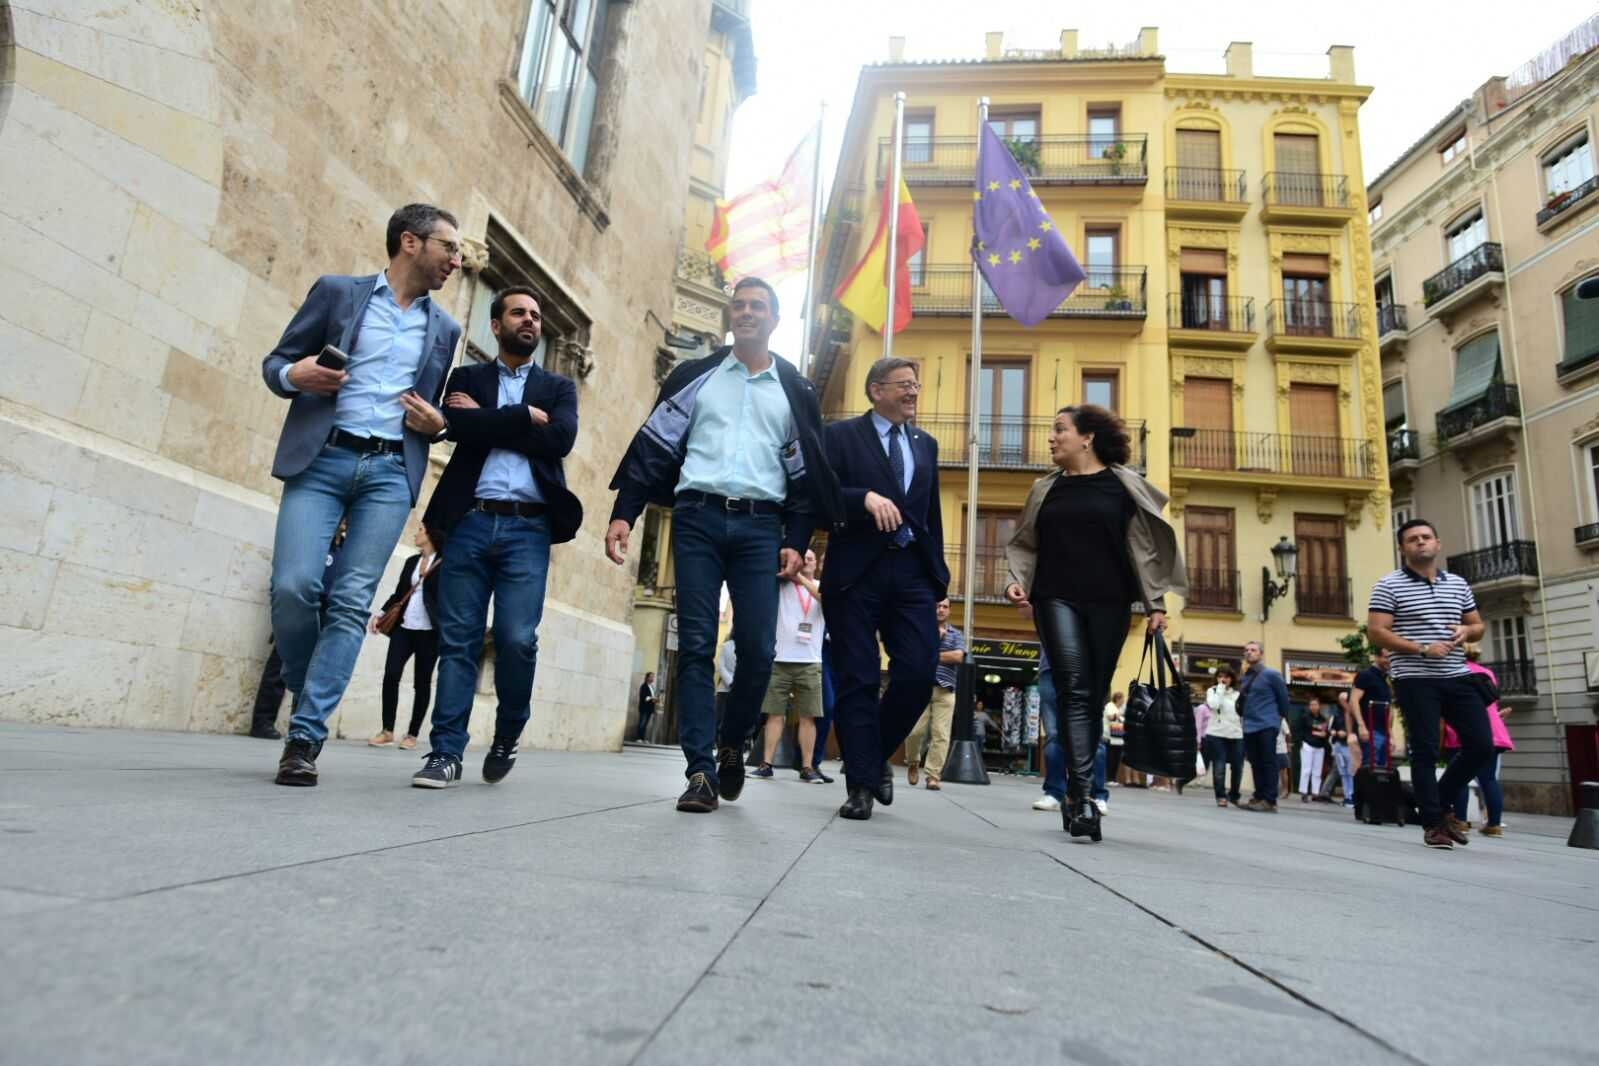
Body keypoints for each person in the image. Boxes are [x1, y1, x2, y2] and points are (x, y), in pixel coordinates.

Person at [604, 277, 838, 814]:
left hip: (761, 529)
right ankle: (700, 772)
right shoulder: (696, 377)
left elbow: (805, 479)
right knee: (696, 643)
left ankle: (733, 741)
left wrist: (796, 540)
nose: (746, 312)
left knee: (757, 648)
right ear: (730, 315)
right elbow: (652, 447)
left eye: (757, 306)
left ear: (774, 320)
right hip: (697, 518)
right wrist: (624, 513)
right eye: (739, 305)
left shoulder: (795, 390)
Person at [262, 203, 463, 787]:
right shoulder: (337, 293)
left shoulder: (446, 329)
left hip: (389, 472)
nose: (456, 260)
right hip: (322, 459)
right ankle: (309, 683)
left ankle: (305, 738)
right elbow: (276, 364)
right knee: (294, 586)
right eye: (448, 247)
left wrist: (439, 426)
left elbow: (433, 411)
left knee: (350, 602)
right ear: (410, 242)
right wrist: (295, 376)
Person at [411, 287, 583, 789]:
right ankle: (445, 752)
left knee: (516, 639)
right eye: (518, 313)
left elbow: (560, 439)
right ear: (496, 324)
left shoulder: (558, 387)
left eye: (536, 315)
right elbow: (454, 425)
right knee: (458, 640)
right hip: (469, 522)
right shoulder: (467, 378)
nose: (530, 320)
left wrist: (484, 421)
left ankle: (508, 733)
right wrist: (522, 418)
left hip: (528, 528)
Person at [1005, 404, 1187, 841]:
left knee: (1093, 695)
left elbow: (1143, 549)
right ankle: (1085, 796)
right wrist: (1017, 581)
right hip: (1055, 597)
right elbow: (1026, 543)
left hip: (1110, 602)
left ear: (1087, 438)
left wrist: (1155, 604)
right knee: (1072, 688)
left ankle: (1076, 793)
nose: (1052, 438)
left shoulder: (1123, 486)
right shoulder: (1044, 489)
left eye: (1060, 430)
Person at [821, 357, 947, 821]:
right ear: (876, 390)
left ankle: (871, 757)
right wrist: (863, 499)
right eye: (903, 385)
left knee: (918, 672)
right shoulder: (839, 437)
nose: (913, 392)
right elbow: (818, 496)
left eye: (916, 384)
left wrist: (938, 579)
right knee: (858, 678)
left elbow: (931, 514)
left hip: (912, 572)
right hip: (856, 573)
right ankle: (859, 786)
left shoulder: (925, 444)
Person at [1366, 518, 1492, 850]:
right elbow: (1376, 631)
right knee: (1425, 749)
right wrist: (1422, 648)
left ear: (1438, 544)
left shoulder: (1458, 584)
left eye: (1426, 537)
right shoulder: (1389, 585)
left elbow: (1478, 625)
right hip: (1414, 678)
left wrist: (1467, 631)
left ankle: (1439, 800)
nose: (1420, 542)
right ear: (1402, 548)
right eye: (1412, 539)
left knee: (1482, 744)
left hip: (1457, 674)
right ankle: (1434, 824)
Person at [248, 526, 347, 739]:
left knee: (315, 672)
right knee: (279, 665)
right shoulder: (316, 540)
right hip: (304, 606)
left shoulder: (346, 549)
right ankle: (262, 722)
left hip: (328, 611)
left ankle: (301, 726)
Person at [754, 549, 828, 783]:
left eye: (811, 559)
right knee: (774, 713)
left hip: (810, 661)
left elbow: (824, 598)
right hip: (780, 658)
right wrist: (791, 576)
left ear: (815, 564)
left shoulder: (820, 586)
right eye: (803, 558)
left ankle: (807, 767)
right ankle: (766, 764)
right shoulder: (782, 585)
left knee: (809, 716)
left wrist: (800, 578)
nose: (806, 561)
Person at [368, 524, 443, 750]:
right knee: (391, 674)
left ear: (430, 534)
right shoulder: (411, 561)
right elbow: (399, 593)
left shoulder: (446, 564)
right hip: (404, 627)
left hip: (429, 632)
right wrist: (381, 614)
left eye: (420, 530)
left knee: (422, 682)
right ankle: (387, 730)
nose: (416, 533)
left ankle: (412, 734)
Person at [906, 598, 965, 791]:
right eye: (937, 606)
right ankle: (913, 761)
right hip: (920, 688)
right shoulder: (921, 630)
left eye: (945, 607)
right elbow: (913, 655)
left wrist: (930, 656)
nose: (941, 610)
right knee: (914, 732)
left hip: (945, 691)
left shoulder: (956, 634)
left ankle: (933, 775)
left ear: (949, 610)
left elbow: (958, 656)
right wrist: (935, 641)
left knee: (941, 734)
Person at [1457, 644, 1514, 837]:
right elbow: (1490, 703)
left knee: (1460, 776)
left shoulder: (1455, 671)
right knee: (1489, 778)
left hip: (1467, 728)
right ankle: (1494, 824)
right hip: (1494, 730)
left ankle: (1460, 821)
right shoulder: (1487, 673)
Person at [1239, 640, 1290, 812]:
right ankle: (1259, 796)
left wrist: (1277, 720)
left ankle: (1270, 800)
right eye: (1246, 650)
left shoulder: (1272, 674)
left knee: (1268, 761)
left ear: (1261, 654)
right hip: (1249, 725)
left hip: (1267, 724)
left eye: (1253, 650)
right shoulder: (1246, 676)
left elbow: (1284, 700)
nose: (1249, 652)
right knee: (1255, 762)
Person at [1204, 668, 1245, 808]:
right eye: (1220, 676)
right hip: (1217, 733)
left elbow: (1242, 713)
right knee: (1219, 765)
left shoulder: (1237, 694)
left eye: (1227, 677)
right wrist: (1220, 689)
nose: (1223, 679)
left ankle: (1234, 795)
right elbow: (1214, 705)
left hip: (1236, 734)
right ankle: (1220, 796)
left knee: (1238, 766)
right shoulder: (1212, 691)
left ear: (1232, 679)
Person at [1351, 650, 1393, 768]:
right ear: (1376, 657)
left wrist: (1391, 736)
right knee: (1370, 768)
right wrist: (1361, 726)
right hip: (1370, 730)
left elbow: (1388, 709)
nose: (1389, 661)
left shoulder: (1385, 680)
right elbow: (1353, 701)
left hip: (1383, 731)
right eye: (1386, 657)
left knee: (1381, 769)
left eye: (1391, 658)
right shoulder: (1365, 675)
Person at [1297, 696, 1330, 803]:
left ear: (1319, 706)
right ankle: (1304, 792)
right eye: (1311, 705)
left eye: (1315, 704)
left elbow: (1325, 732)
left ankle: (1315, 793)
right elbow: (1305, 728)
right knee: (1306, 769)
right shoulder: (1305, 717)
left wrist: (1322, 733)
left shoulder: (1323, 718)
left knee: (1317, 771)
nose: (1313, 707)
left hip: (1320, 746)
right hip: (1308, 745)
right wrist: (1318, 731)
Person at [1327, 693, 1356, 806]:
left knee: (1351, 772)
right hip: (1339, 745)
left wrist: (1347, 733)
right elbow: (1330, 729)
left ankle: (1352, 796)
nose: (1343, 703)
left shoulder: (1354, 713)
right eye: (1341, 700)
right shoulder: (1336, 714)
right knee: (1343, 772)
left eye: (1345, 700)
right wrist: (1334, 732)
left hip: (1350, 746)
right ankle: (1347, 796)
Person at [1105, 693, 1129, 785]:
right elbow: (1110, 717)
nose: (1123, 701)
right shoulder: (1110, 706)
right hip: (1110, 738)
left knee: (1116, 759)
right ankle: (1108, 779)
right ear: (1118, 699)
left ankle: (1113, 779)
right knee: (1111, 759)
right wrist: (1120, 714)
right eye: (1122, 699)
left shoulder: (1119, 708)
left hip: (1119, 739)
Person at [636, 672, 657, 743]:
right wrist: (651, 698)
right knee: (642, 723)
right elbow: (643, 697)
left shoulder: (652, 687)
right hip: (644, 708)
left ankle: (643, 738)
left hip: (650, 708)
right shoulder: (644, 686)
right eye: (651, 677)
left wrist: (654, 699)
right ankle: (639, 738)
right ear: (647, 678)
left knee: (645, 724)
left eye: (653, 677)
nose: (652, 678)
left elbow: (651, 697)